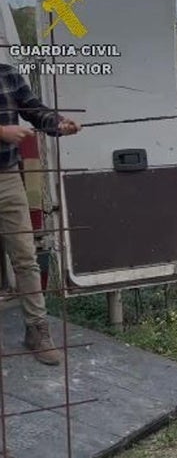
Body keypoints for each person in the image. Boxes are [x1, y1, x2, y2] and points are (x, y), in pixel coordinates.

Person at [0, 63, 81, 365]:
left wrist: (57, 123)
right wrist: (1, 131)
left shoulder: (6, 74)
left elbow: (33, 108)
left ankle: (37, 331)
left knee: (25, 257)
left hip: (7, 177)